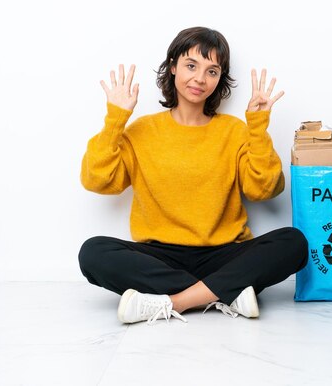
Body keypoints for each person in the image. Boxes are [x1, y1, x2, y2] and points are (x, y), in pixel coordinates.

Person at [78, 27, 308, 325]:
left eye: (212, 71)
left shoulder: (234, 130)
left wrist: (258, 128)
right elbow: (97, 180)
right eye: (191, 66)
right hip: (159, 255)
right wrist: (115, 120)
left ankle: (176, 301)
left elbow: (264, 189)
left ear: (219, 79)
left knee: (294, 242)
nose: (200, 78)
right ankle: (226, 291)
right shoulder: (141, 131)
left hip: (225, 253)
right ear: (172, 66)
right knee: (93, 252)